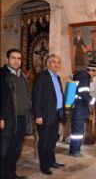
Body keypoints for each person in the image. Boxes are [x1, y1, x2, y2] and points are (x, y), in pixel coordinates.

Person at [0, 48, 31, 179]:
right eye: (13, 58)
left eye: (19, 58)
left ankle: (11, 174)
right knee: (3, 150)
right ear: (7, 60)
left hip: (22, 119)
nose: (16, 61)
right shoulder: (2, 75)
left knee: (16, 149)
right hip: (7, 119)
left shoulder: (22, 75)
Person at [32, 54, 65, 175]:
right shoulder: (42, 77)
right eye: (54, 62)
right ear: (48, 64)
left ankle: (51, 161)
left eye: (58, 62)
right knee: (44, 142)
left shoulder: (57, 77)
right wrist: (38, 115)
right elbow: (36, 97)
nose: (56, 64)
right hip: (44, 115)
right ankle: (44, 165)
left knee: (52, 141)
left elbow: (58, 96)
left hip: (56, 114)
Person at [69, 61, 96, 157]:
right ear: (91, 70)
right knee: (78, 132)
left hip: (77, 107)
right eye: (95, 71)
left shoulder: (80, 76)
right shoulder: (85, 78)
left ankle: (74, 149)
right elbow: (84, 95)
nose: (95, 74)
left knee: (77, 131)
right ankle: (74, 151)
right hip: (79, 108)